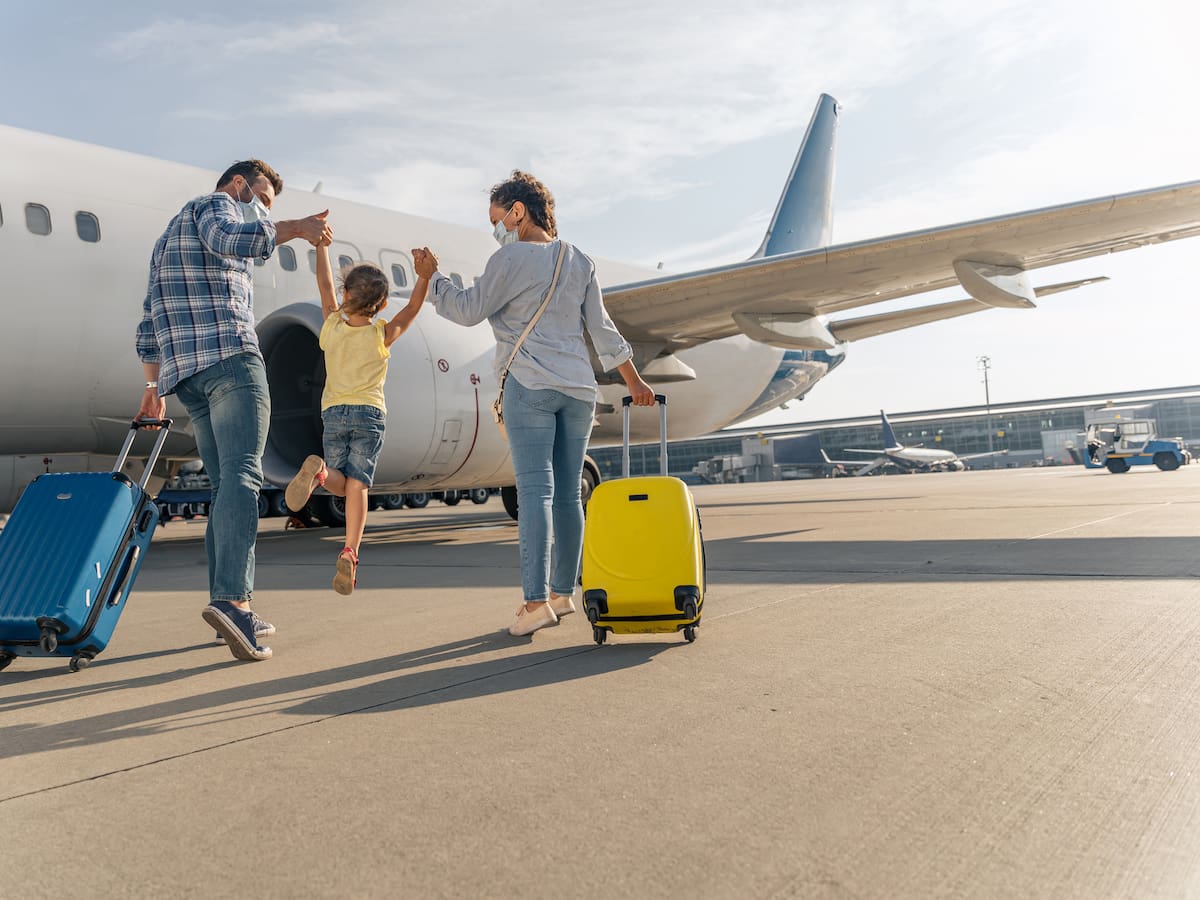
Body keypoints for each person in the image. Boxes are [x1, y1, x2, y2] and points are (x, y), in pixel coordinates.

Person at [416, 170, 654, 637]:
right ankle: (564, 594)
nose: (496, 229)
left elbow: (466, 310)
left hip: (530, 385)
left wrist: (433, 278)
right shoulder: (579, 260)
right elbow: (602, 330)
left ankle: (533, 603)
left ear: (517, 212)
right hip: (580, 390)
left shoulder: (510, 259)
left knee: (535, 494)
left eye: (496, 218)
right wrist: (634, 381)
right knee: (569, 497)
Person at [136, 159, 331, 662]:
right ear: (241, 185)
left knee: (226, 487)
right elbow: (234, 240)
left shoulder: (165, 242)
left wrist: (152, 386)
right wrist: (297, 229)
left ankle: (228, 602)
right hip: (230, 361)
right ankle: (234, 600)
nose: (265, 210)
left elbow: (147, 318)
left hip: (189, 379)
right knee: (245, 478)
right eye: (263, 199)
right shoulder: (217, 205)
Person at [284, 236, 430, 595]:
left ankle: (319, 472)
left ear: (345, 293)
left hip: (334, 413)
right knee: (358, 485)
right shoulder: (382, 335)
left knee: (339, 481)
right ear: (380, 305)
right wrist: (424, 277)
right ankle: (351, 549)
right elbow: (411, 309)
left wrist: (321, 246)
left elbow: (322, 285)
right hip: (369, 413)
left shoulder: (332, 327)